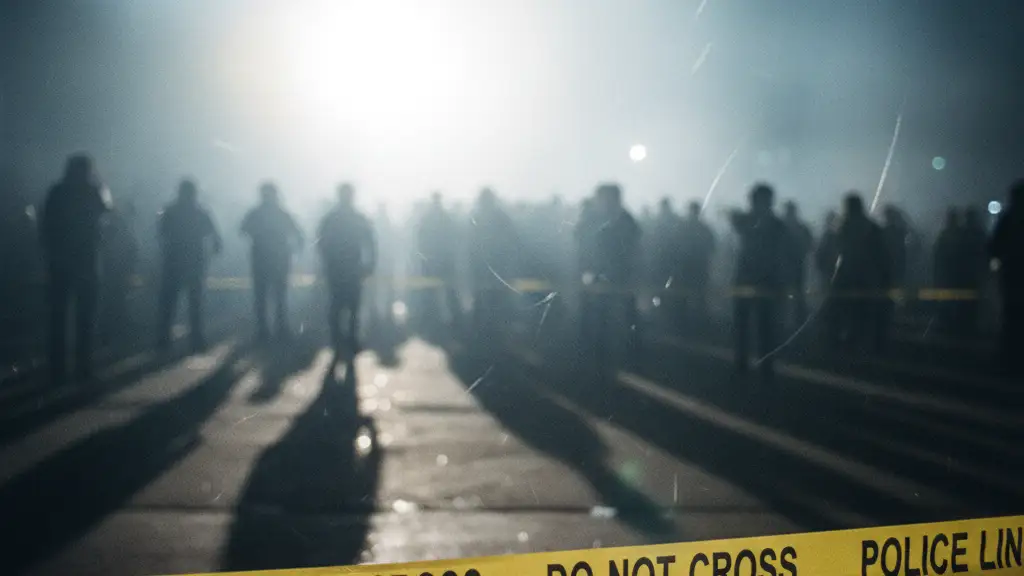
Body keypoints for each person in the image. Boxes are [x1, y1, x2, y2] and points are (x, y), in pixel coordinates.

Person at [39, 154, 111, 383]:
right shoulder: (92, 190)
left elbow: (46, 224)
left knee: (58, 317)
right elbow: (107, 209)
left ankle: (57, 368)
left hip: (60, 261)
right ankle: (83, 366)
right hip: (86, 260)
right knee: (85, 317)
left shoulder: (57, 191)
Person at [729, 183, 789, 383]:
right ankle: (747, 363)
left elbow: (783, 254)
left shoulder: (772, 224)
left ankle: (762, 364)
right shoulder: (762, 222)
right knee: (749, 325)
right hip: (751, 279)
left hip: (763, 280)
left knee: (764, 326)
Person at [157, 179, 222, 353]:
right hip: (194, 260)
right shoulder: (201, 211)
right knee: (195, 301)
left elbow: (161, 232)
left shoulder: (171, 210)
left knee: (170, 301)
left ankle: (164, 338)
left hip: (174, 260)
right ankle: (196, 338)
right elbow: (215, 237)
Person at [317, 183, 376, 355]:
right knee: (342, 307)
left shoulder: (337, 217)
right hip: (343, 268)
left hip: (348, 269)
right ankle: (342, 340)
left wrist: (370, 263)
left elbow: (370, 242)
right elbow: (321, 243)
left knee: (348, 307)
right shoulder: (349, 217)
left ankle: (345, 340)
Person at [827, 193, 889, 352]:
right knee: (861, 313)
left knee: (849, 312)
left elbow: (834, 252)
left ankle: (850, 344)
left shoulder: (842, 227)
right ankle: (860, 344)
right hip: (863, 278)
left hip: (850, 277)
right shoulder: (869, 227)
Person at [241, 182, 303, 341]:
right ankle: (277, 329)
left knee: (264, 297)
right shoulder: (280, 213)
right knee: (276, 297)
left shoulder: (257, 213)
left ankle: (266, 330)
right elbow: (298, 235)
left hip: (264, 259)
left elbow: (243, 230)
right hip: (276, 260)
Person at [592, 183, 642, 370]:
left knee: (629, 315)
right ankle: (602, 357)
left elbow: (633, 249)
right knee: (603, 317)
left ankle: (634, 356)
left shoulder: (625, 221)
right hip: (606, 277)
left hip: (623, 276)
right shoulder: (603, 219)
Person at [467, 188, 518, 342]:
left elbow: (510, 241)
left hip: (495, 267)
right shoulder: (481, 216)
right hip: (484, 267)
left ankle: (492, 331)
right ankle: (485, 331)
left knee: (496, 300)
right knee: (484, 299)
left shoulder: (497, 217)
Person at [989, 181, 1024, 378]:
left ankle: (1009, 359)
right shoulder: (1009, 219)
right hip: (1013, 274)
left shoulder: (1008, 219)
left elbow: (994, 247)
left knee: (1011, 317)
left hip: (1011, 274)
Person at [417, 192, 460, 330]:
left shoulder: (431, 217)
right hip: (437, 260)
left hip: (437, 260)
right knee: (437, 292)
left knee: (441, 292)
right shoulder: (441, 217)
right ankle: (438, 321)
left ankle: (437, 321)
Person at [99, 199, 138, 344]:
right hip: (114, 269)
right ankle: (110, 331)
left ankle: (112, 330)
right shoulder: (116, 227)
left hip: (117, 269)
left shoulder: (117, 226)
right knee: (114, 299)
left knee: (116, 299)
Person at [679, 200, 716, 330]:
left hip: (695, 268)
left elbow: (712, 247)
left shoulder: (692, 228)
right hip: (689, 268)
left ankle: (695, 325)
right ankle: (690, 324)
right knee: (687, 297)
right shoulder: (700, 228)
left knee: (697, 298)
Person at [782, 200, 813, 326]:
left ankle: (797, 322)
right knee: (789, 296)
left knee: (796, 296)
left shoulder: (785, 227)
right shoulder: (782, 227)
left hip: (793, 266)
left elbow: (809, 244)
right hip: (785, 267)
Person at [957, 207, 987, 336]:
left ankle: (965, 325)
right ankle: (968, 324)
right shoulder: (977, 233)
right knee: (970, 299)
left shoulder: (964, 233)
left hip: (966, 272)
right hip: (970, 272)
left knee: (966, 299)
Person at [933, 208, 963, 333]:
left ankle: (948, 322)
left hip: (952, 272)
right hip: (952, 272)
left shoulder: (946, 234)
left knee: (949, 299)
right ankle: (949, 323)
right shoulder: (957, 234)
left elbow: (937, 253)